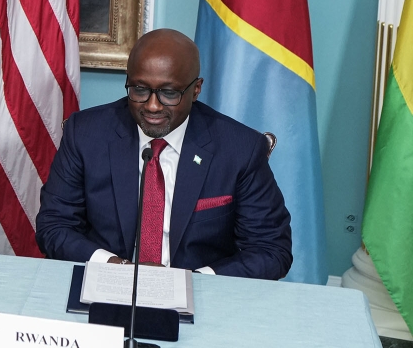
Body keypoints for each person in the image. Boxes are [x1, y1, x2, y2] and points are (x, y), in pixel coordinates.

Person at [35, 29, 293, 279]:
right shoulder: (87, 134)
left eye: (169, 93)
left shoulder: (239, 149)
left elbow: (271, 250)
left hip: (201, 296)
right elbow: (54, 226)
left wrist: (190, 281)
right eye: (140, 89)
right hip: (107, 284)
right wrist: (118, 268)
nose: (152, 105)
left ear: (196, 89)